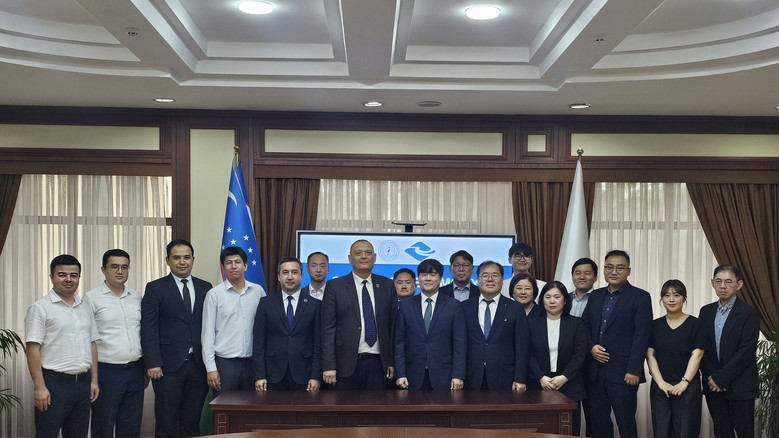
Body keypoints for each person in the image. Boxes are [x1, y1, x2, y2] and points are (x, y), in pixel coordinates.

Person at [141, 239, 212, 438]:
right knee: (166, 423)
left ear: (193, 259)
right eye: (177, 257)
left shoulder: (206, 287)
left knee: (192, 423)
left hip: (198, 366)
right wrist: (153, 362)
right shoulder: (155, 288)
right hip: (167, 368)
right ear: (168, 260)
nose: (182, 262)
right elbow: (148, 328)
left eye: (186, 257)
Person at [25, 254, 99, 438]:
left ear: (79, 278)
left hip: (83, 383)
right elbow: (32, 349)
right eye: (62, 274)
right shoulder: (40, 308)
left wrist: (94, 381)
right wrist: (39, 387)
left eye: (73, 275)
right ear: (52, 277)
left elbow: (92, 344)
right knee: (47, 434)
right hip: (53, 384)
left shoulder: (85, 306)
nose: (68, 279)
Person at [580, 250, 652, 438]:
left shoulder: (640, 297)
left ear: (628, 271)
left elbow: (642, 335)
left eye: (620, 268)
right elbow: (584, 326)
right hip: (595, 372)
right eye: (609, 267)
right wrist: (591, 347)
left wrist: (634, 369)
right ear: (604, 270)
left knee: (626, 423)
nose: (614, 272)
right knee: (598, 423)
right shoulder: (595, 296)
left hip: (624, 373)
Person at [83, 249, 144, 438]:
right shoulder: (91, 298)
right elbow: (86, 339)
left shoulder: (136, 296)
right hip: (106, 372)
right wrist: (93, 379)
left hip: (135, 370)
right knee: (104, 425)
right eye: (114, 267)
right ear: (103, 269)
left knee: (131, 426)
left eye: (124, 267)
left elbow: (144, 333)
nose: (120, 271)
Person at [321, 239, 398, 389]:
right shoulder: (335, 286)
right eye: (358, 253)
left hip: (379, 363)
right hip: (346, 363)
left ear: (375, 257)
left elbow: (393, 326)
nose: (364, 256)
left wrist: (391, 361)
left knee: (378, 404)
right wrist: (329, 365)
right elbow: (328, 328)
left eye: (368, 253)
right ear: (349, 258)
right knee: (345, 404)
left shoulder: (387, 285)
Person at [699, 264, 760, 438]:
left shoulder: (749, 313)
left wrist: (721, 378)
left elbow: (746, 351)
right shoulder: (706, 311)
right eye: (718, 281)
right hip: (713, 385)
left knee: (744, 432)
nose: (723, 286)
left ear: (738, 285)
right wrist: (712, 377)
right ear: (712, 283)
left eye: (728, 281)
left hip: (740, 385)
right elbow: (702, 348)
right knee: (721, 432)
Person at [201, 247, 266, 396]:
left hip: (253, 363)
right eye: (229, 263)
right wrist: (211, 368)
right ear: (223, 268)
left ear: (246, 266)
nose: (233, 266)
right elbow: (207, 334)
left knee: (252, 406)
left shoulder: (258, 291)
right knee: (224, 407)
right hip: (225, 364)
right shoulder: (214, 295)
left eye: (237, 262)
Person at [394, 259, 466, 390]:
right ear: (418, 278)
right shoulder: (405, 306)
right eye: (424, 274)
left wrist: (458, 374)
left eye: (432, 275)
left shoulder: (453, 305)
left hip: (444, 373)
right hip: (411, 374)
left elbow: (459, 343)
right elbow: (399, 343)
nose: (427, 279)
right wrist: (400, 373)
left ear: (440, 278)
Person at [646, 279, 704, 438]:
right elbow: (650, 355)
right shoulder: (654, 325)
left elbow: (697, 354)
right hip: (660, 387)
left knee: (685, 431)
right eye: (667, 295)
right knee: (661, 431)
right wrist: (660, 382)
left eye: (676, 295)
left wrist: (684, 382)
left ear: (684, 298)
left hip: (688, 386)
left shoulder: (696, 324)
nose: (671, 299)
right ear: (662, 299)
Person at [528, 281, 587, 436]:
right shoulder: (532, 324)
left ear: (565, 300)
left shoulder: (576, 324)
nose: (552, 301)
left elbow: (580, 354)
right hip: (540, 385)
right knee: (541, 429)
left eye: (557, 297)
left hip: (569, 385)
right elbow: (528, 354)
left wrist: (564, 377)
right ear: (542, 300)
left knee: (569, 430)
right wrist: (541, 377)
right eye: (548, 297)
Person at [253, 256, 321, 390]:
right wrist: (259, 375)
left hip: (305, 375)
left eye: (294, 272)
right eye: (285, 272)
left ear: (301, 276)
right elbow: (258, 343)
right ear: (278, 277)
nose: (290, 277)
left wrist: (316, 376)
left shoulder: (315, 305)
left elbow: (318, 344)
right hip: (272, 375)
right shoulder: (266, 303)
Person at [462, 260, 529, 390]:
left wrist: (520, 378)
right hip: (471, 375)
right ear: (478, 280)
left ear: (502, 280)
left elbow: (522, 347)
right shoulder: (465, 307)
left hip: (504, 375)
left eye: (495, 275)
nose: (490, 279)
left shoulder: (515, 308)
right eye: (485, 275)